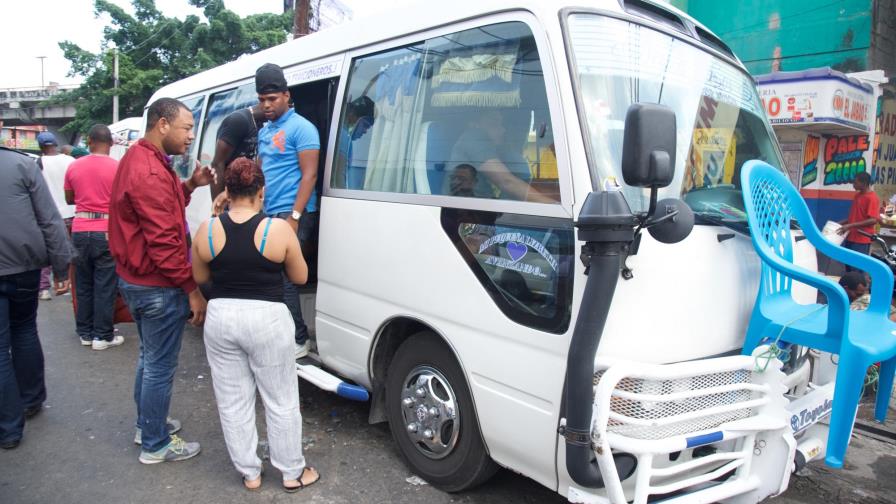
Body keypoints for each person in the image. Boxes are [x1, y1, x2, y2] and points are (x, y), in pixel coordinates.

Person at [193, 157, 319, 492]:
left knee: (233, 400)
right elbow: (300, 276)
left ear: (227, 191)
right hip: (267, 318)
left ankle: (250, 473)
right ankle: (292, 472)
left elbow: (200, 276)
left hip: (221, 317)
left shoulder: (208, 229)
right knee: (280, 398)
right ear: (261, 191)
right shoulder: (276, 229)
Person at [108, 97, 215, 464]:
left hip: (137, 280)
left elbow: (162, 210)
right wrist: (192, 290)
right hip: (156, 285)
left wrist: (190, 185)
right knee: (158, 365)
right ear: (163, 125)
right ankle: (155, 443)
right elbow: (165, 244)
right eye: (186, 128)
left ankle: (147, 425)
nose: (191, 136)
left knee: (148, 358)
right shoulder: (150, 171)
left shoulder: (143, 160)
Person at [215, 63, 320, 359]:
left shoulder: (303, 128)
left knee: (285, 277)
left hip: (293, 211)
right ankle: (284, 333)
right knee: (269, 276)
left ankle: (299, 339)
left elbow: (309, 175)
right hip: (268, 211)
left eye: (272, 99)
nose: (266, 105)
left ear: (286, 95)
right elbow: (258, 171)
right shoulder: (266, 130)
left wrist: (296, 218)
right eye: (262, 100)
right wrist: (231, 194)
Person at [0, 146, 75, 449]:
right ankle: (31, 399)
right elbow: (49, 219)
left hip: (19, 265)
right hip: (24, 265)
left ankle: (8, 428)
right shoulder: (21, 164)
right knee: (25, 329)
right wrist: (61, 268)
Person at [64, 124, 122, 350]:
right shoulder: (117, 167)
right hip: (106, 229)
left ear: (89, 141)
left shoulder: (74, 166)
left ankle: (85, 332)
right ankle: (103, 335)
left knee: (83, 283)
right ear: (111, 143)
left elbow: (70, 199)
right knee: (105, 284)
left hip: (80, 228)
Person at [444, 109, 554, 203]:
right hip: (466, 215)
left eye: (501, 124)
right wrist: (553, 206)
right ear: (474, 125)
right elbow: (506, 182)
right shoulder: (474, 136)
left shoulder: (497, 150)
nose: (503, 130)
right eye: (494, 124)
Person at [36, 132, 75, 300]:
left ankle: (44, 289)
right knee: (70, 251)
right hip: (72, 212)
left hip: (49, 215)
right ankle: (68, 283)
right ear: (56, 143)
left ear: (40, 147)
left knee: (47, 251)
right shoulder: (69, 161)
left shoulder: (38, 163)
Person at [209, 105, 266, 200]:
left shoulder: (260, 124)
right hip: (231, 197)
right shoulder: (238, 120)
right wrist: (218, 205)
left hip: (248, 196)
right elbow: (217, 164)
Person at [837, 172, 880, 271]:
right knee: (848, 266)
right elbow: (855, 217)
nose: (853, 185)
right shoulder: (857, 196)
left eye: (855, 183)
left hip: (862, 240)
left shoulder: (872, 198)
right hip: (851, 237)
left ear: (864, 183)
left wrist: (850, 225)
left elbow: (873, 220)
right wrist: (841, 223)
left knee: (857, 268)